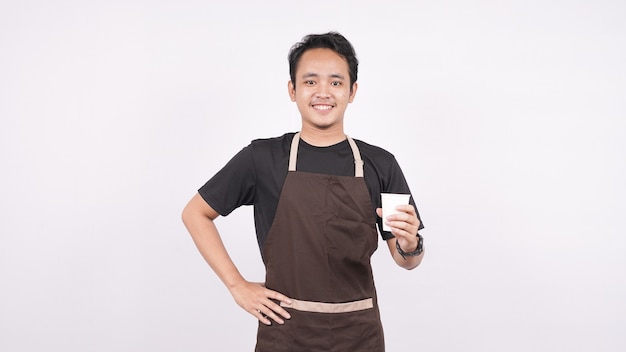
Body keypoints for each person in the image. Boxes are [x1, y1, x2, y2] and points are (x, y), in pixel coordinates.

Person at [182, 32, 425, 352]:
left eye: (336, 83)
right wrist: (237, 285)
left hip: (358, 335)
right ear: (292, 90)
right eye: (310, 82)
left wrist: (410, 244)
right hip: (285, 332)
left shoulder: (381, 164)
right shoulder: (262, 158)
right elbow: (195, 213)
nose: (323, 92)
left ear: (352, 91)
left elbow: (405, 257)